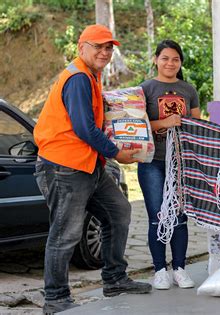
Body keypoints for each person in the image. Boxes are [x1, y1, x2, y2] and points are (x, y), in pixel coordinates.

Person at [34, 24, 152, 314]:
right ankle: (56, 298)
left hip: (88, 164)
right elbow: (84, 128)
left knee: (119, 212)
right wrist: (116, 153)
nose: (104, 51)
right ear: (81, 47)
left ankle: (114, 278)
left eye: (109, 47)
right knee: (65, 233)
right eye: (98, 46)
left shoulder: (90, 76)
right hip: (64, 167)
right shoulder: (77, 79)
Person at [139, 40, 201, 290]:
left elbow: (198, 127)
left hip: (181, 164)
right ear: (156, 59)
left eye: (175, 59)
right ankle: (159, 270)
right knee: (157, 216)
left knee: (179, 217)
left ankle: (179, 268)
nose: (170, 63)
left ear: (180, 63)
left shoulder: (188, 89)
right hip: (152, 161)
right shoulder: (144, 89)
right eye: (165, 58)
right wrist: (164, 123)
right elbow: (135, 127)